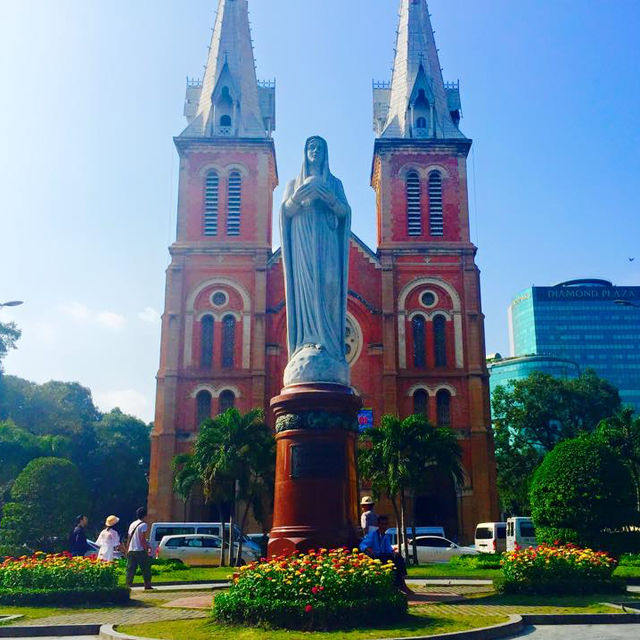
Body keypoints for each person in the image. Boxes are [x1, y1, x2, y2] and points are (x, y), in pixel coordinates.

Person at [280, 135, 352, 387]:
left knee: (330, 286)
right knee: (306, 294)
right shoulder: (293, 184)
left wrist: (330, 199)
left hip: (328, 245)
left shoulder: (335, 183)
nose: (315, 151)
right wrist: (297, 198)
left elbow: (345, 213)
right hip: (302, 249)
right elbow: (285, 212)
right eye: (311, 146)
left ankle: (331, 347)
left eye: (320, 147)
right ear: (304, 152)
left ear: (326, 153)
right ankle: (306, 342)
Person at [360, 515, 412, 595]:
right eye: (382, 524)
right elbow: (362, 544)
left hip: (383, 557)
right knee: (396, 560)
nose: (384, 526)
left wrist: (393, 552)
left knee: (397, 557)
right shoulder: (373, 534)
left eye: (385, 524)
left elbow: (388, 549)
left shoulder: (386, 537)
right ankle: (401, 585)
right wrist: (367, 548)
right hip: (375, 558)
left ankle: (401, 583)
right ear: (378, 524)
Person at [125, 507, 152, 590]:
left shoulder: (132, 524)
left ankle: (128, 585)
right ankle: (147, 585)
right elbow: (142, 539)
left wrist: (127, 548)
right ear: (145, 515)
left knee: (130, 569)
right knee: (145, 568)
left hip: (131, 550)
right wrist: (146, 548)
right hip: (139, 550)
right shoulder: (143, 525)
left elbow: (129, 537)